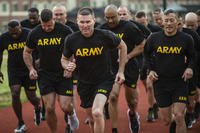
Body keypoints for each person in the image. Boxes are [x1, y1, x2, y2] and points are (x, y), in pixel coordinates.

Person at [61, 7, 127, 133]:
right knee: (91, 118)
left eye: (88, 22)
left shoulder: (104, 35)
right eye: (82, 22)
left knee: (97, 112)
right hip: (84, 82)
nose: (85, 25)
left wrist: (121, 71)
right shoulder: (71, 39)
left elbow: (122, 46)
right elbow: (64, 59)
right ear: (77, 22)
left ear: (94, 21)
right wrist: (67, 66)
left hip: (104, 80)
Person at [23, 9, 79, 133]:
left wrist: (70, 66)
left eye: (49, 25)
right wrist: (31, 68)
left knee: (66, 107)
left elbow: (75, 51)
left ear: (53, 19)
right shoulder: (35, 33)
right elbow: (27, 52)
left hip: (63, 73)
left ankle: (72, 114)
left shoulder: (65, 30)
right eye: (43, 25)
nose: (46, 28)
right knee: (49, 108)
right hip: (45, 74)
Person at [144, 9, 195, 133]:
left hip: (179, 82)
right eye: (166, 20)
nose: (168, 23)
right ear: (162, 22)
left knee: (179, 115)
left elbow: (193, 57)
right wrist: (150, 70)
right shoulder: (154, 38)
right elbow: (146, 54)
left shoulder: (186, 39)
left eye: (172, 20)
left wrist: (190, 67)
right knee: (167, 119)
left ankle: (178, 122)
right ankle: (173, 122)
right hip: (160, 83)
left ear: (177, 22)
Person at [99, 4, 145, 133]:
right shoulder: (102, 29)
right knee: (113, 97)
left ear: (118, 15)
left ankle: (132, 114)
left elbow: (142, 45)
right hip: (111, 68)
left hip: (129, 66)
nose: (110, 20)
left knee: (132, 100)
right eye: (107, 18)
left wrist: (128, 57)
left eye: (113, 17)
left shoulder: (129, 27)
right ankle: (114, 129)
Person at [0, 20, 41, 132]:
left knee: (32, 97)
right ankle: (21, 122)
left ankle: (38, 107)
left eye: (16, 32)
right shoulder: (3, 37)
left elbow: (39, 49)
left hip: (29, 69)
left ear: (20, 28)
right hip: (14, 70)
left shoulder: (29, 34)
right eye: (11, 32)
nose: (14, 34)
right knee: (15, 93)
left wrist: (38, 61)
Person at [52, 4, 79, 132]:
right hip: (53, 69)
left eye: (60, 14)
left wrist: (70, 67)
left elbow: (78, 48)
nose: (58, 17)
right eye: (56, 14)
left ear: (66, 15)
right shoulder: (48, 27)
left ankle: (69, 122)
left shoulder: (73, 28)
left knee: (69, 96)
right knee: (59, 99)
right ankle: (69, 115)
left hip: (71, 66)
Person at [20, 7, 46, 120]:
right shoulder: (22, 24)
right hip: (28, 57)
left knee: (43, 87)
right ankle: (38, 106)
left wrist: (41, 58)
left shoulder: (43, 24)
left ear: (38, 16)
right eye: (30, 18)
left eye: (34, 18)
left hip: (41, 58)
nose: (31, 20)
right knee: (31, 90)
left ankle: (44, 110)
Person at [184, 12, 200, 127]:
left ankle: (191, 111)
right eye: (187, 25)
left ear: (197, 23)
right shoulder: (181, 34)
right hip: (182, 71)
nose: (190, 28)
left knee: (192, 100)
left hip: (197, 69)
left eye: (192, 25)